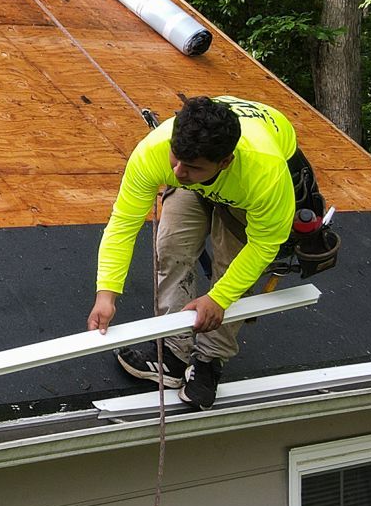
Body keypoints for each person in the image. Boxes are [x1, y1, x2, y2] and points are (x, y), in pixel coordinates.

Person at [86, 95, 322, 409]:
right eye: (176, 159)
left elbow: (264, 245)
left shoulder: (266, 173)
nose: (179, 171)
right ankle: (173, 351)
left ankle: (209, 361)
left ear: (224, 161)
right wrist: (107, 293)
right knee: (171, 246)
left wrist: (219, 298)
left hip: (246, 191)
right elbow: (124, 223)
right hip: (212, 178)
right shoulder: (156, 153)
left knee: (231, 263)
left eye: (191, 166)